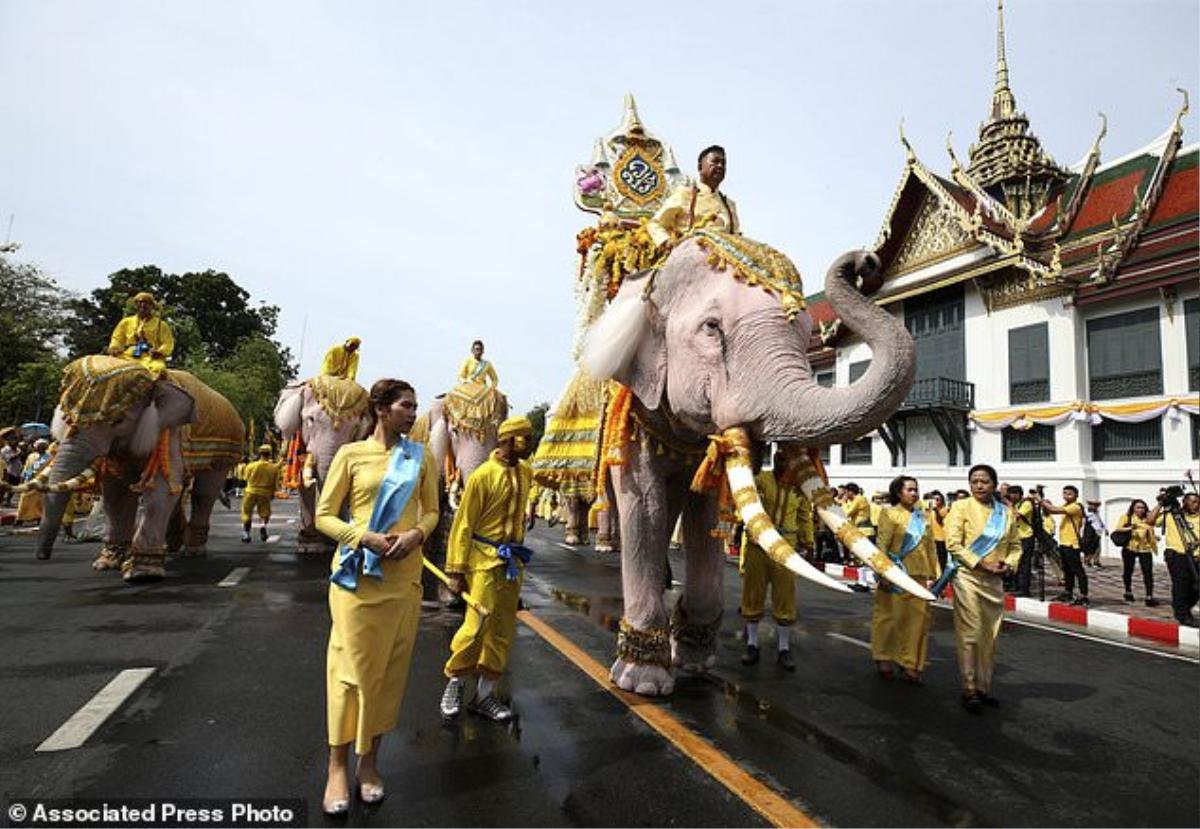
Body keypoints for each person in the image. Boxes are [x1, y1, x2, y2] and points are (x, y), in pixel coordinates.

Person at [314, 378, 438, 814]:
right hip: (355, 580)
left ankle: (369, 764)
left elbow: (433, 510)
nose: (413, 412)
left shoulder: (421, 457)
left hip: (402, 580)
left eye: (416, 406)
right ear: (382, 409)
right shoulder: (351, 454)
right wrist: (360, 536)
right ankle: (335, 767)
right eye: (407, 405)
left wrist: (416, 535)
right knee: (349, 671)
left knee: (387, 673)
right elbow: (325, 515)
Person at [439, 415, 535, 723]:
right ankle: (455, 681)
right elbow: (463, 524)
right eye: (524, 438)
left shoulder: (526, 473)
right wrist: (455, 570)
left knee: (502, 629)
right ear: (507, 440)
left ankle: (485, 695)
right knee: (475, 626)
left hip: (511, 564)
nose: (529, 444)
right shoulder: (483, 476)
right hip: (483, 561)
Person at [942, 464, 1022, 713]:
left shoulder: (1005, 514)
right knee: (971, 630)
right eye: (974, 481)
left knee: (990, 634)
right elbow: (953, 544)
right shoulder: (960, 507)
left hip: (994, 581)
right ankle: (969, 688)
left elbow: (1015, 546)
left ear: (994, 484)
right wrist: (981, 563)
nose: (979, 485)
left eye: (984, 481)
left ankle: (984, 687)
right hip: (968, 576)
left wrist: (1008, 565)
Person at [738, 446, 812, 672]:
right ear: (778, 460)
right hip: (758, 544)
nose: (790, 465)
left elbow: (804, 517)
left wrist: (807, 542)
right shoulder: (760, 480)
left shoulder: (801, 488)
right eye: (786, 460)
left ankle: (783, 648)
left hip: (786, 548)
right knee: (753, 594)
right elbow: (744, 504)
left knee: (785, 597)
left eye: (794, 461)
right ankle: (752, 644)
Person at [872, 475, 941, 683]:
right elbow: (882, 543)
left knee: (917, 622)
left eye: (915, 489)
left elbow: (930, 548)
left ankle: (910, 663)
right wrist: (883, 572)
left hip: (919, 575)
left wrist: (934, 574)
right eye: (909, 489)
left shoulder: (923, 517)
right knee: (889, 618)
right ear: (898, 492)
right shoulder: (889, 514)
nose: (914, 493)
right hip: (895, 574)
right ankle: (884, 657)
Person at [647, 145, 740, 248]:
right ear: (700, 167)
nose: (720, 166)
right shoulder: (685, 195)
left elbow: (736, 237)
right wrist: (668, 242)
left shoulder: (729, 204)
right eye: (715, 161)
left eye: (723, 163)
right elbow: (655, 224)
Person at [1147, 491, 1200, 627]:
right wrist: (1160, 503)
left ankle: (1181, 607)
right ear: (1185, 502)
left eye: (1198, 502)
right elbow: (1150, 521)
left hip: (1196, 557)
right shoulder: (1171, 515)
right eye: (1193, 502)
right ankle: (1183, 615)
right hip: (1177, 555)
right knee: (1181, 585)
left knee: (1196, 587)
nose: (1196, 504)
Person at [1038, 485, 1089, 606]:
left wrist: (1040, 500)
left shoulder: (1076, 506)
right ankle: (1068, 592)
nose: (1066, 496)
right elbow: (1052, 509)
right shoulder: (1066, 506)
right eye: (1065, 493)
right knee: (1067, 570)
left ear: (1076, 495)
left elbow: (1054, 510)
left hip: (1072, 544)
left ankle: (1083, 595)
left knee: (1078, 570)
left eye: (1069, 494)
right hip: (1064, 543)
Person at [107, 291, 174, 376]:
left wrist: (160, 352)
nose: (143, 305)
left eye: (146, 302)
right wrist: (114, 348)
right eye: (140, 302)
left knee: (158, 369)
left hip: (150, 357)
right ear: (136, 305)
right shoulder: (126, 322)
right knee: (109, 367)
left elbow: (168, 342)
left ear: (152, 306)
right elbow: (117, 338)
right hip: (128, 355)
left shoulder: (161, 325)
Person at [1114, 500, 1158, 606]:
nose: (1140, 510)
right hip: (1130, 547)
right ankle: (1128, 591)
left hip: (1145, 548)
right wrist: (1131, 527)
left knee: (1148, 573)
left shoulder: (1149, 518)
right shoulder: (1127, 517)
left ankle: (1149, 596)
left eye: (1142, 507)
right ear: (1133, 508)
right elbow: (1118, 528)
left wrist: (1155, 537)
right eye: (1138, 507)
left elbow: (1151, 530)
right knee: (1128, 571)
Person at [239, 445, 282, 543]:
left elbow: (245, 479)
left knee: (247, 512)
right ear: (270, 454)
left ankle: (246, 534)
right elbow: (275, 484)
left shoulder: (251, 465)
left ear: (259, 453)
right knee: (264, 513)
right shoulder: (274, 468)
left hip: (250, 491)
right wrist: (272, 494)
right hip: (265, 493)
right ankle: (262, 527)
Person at [926, 491, 948, 571]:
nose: (936, 501)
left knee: (942, 561)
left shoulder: (944, 510)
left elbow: (940, 520)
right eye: (934, 499)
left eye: (938, 499)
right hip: (931, 539)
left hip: (941, 539)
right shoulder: (929, 511)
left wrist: (936, 510)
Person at [1083, 500, 1106, 568]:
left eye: (1096, 505)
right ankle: (1087, 561)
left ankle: (1096, 561)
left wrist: (1104, 529)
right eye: (1093, 505)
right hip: (1089, 533)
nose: (1095, 507)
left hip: (1097, 533)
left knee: (1097, 548)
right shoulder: (1087, 514)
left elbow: (1099, 521)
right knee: (1089, 547)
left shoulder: (1096, 513)